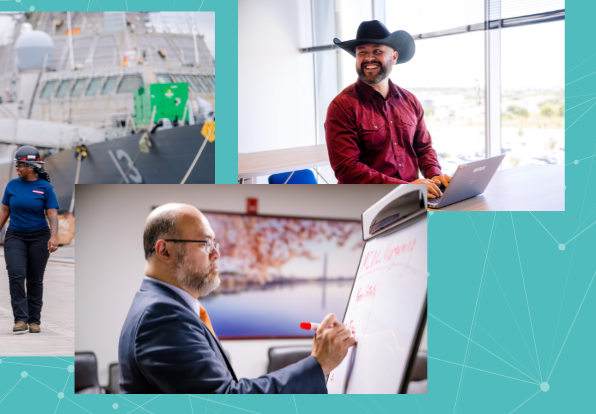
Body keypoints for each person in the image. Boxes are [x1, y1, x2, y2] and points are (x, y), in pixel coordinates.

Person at [118, 203, 356, 394]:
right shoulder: (161, 315)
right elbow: (225, 402)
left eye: (216, 243)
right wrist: (319, 363)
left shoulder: (162, 305)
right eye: (205, 244)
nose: (217, 253)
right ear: (164, 251)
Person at [325, 20, 452, 199]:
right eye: (362, 52)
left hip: (413, 199)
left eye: (377, 51)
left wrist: (435, 176)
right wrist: (404, 188)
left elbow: (423, 148)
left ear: (394, 57)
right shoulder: (342, 106)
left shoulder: (410, 101)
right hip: (366, 204)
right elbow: (347, 169)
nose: (369, 58)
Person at [0, 145, 59, 333]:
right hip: (15, 237)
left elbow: (51, 213)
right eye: (17, 165)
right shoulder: (12, 186)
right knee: (16, 275)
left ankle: (34, 320)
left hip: (39, 237)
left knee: (35, 280)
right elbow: (4, 210)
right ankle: (20, 319)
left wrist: (53, 236)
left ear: (30, 166)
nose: (17, 168)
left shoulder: (46, 188)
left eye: (20, 165)